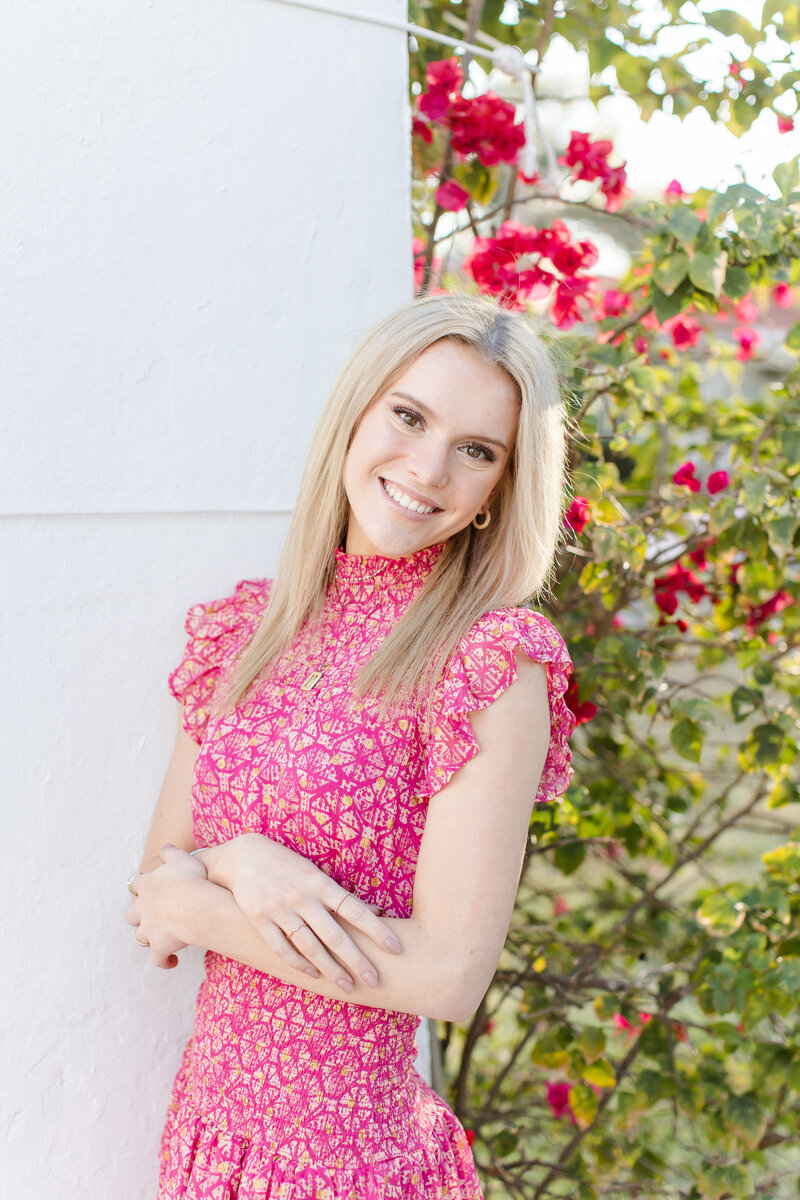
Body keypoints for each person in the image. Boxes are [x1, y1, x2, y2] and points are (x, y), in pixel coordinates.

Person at [125, 291, 576, 1200]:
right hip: (210, 1146)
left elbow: (447, 974)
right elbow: (152, 887)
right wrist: (243, 861)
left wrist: (204, 902)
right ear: (357, 412)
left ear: (499, 490)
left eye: (476, 451)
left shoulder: (489, 660)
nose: (428, 467)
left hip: (348, 1166)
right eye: (409, 417)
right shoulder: (246, 630)